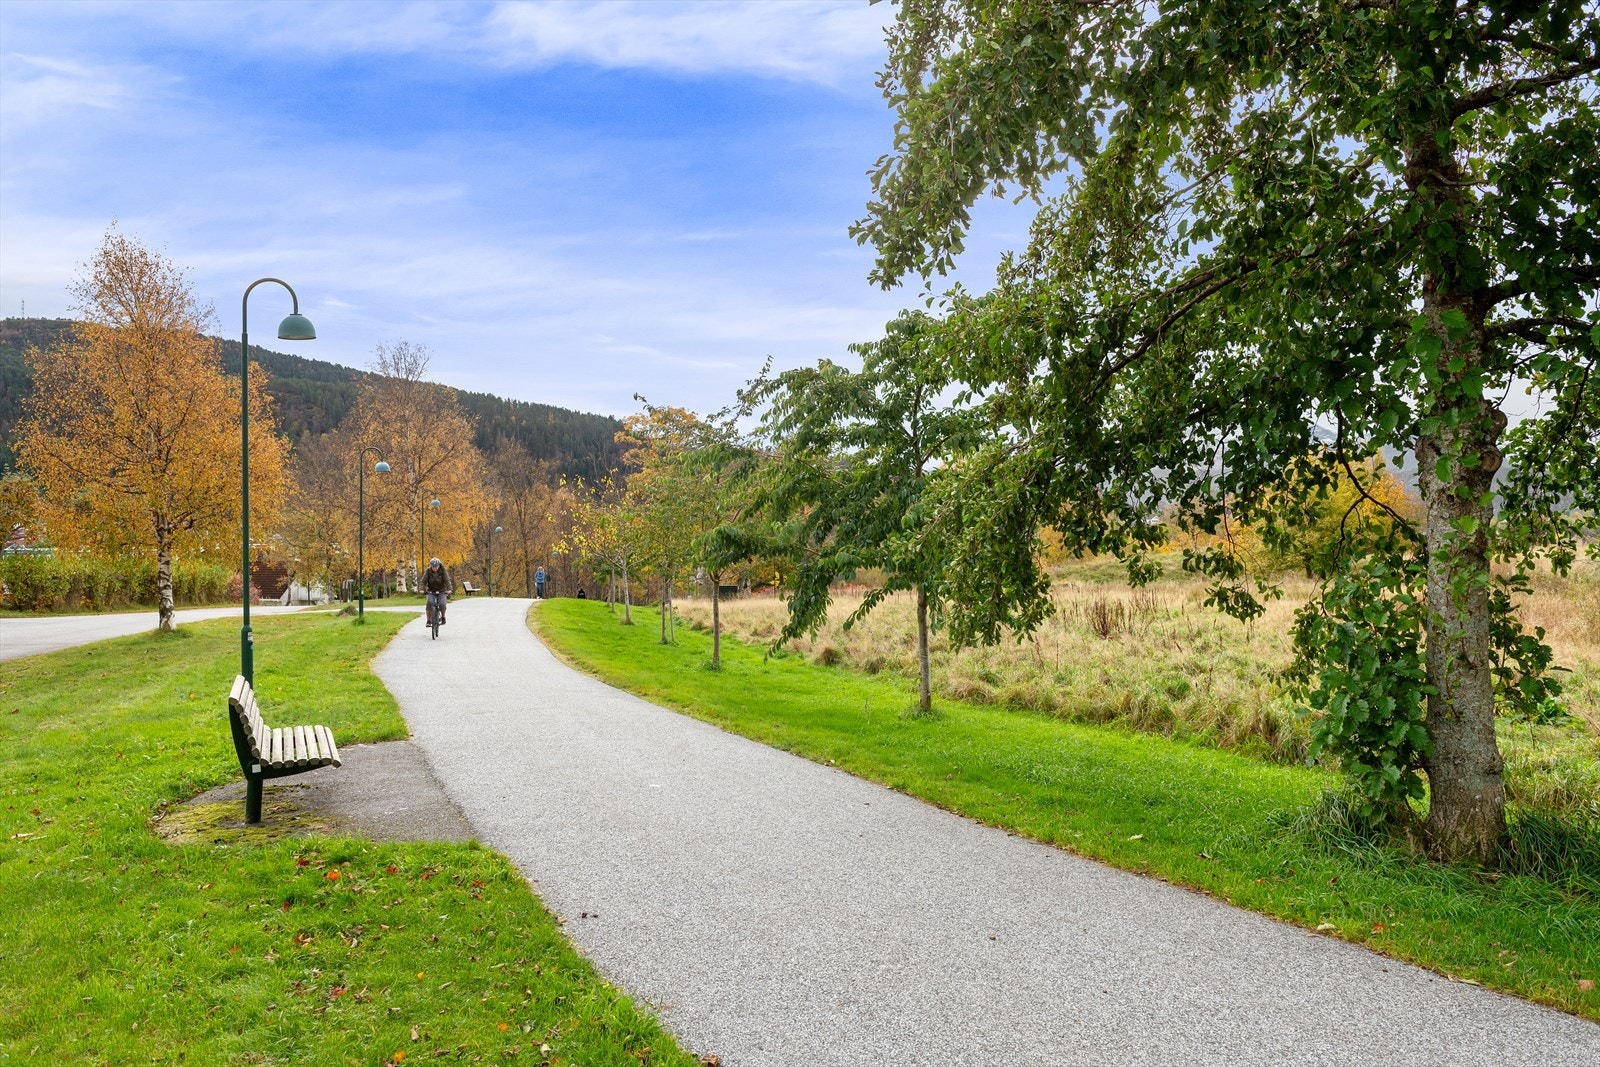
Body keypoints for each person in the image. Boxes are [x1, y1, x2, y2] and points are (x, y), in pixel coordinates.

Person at [423, 557, 453, 626]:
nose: (435, 568)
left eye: (436, 566)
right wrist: (422, 589)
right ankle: (428, 621)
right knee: (429, 603)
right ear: (431, 566)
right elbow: (423, 581)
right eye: (433, 566)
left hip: (442, 591)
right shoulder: (428, 571)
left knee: (442, 604)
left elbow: (447, 580)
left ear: (439, 565)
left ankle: (443, 617)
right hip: (431, 591)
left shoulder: (443, 571)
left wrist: (449, 589)